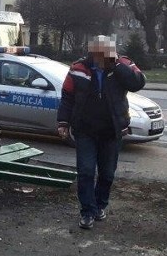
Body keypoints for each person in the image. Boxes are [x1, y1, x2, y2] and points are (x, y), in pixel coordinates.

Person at [57, 35, 146, 229]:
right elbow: (67, 97)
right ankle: (87, 212)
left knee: (107, 174)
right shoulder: (78, 68)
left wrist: (116, 65)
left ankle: (100, 205)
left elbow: (138, 82)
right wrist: (63, 123)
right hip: (85, 130)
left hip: (111, 131)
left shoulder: (123, 65)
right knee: (86, 171)